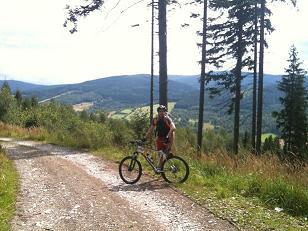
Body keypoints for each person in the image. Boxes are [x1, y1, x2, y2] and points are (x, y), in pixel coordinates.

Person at [145, 105, 176, 170]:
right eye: (160, 111)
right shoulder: (155, 119)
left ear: (165, 112)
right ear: (158, 112)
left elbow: (173, 128)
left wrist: (167, 137)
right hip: (159, 138)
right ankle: (160, 169)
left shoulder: (167, 119)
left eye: (163, 111)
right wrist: (145, 138)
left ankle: (167, 155)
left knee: (164, 153)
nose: (161, 112)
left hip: (167, 139)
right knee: (160, 155)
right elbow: (151, 129)